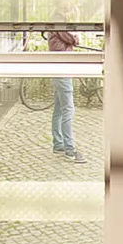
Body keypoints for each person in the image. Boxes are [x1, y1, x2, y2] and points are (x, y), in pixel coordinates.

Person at [47, 26, 83, 162]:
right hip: (62, 69)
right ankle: (69, 149)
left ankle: (58, 144)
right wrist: (74, 37)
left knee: (59, 110)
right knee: (68, 109)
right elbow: (74, 39)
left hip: (59, 69)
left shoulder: (56, 20)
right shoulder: (59, 22)